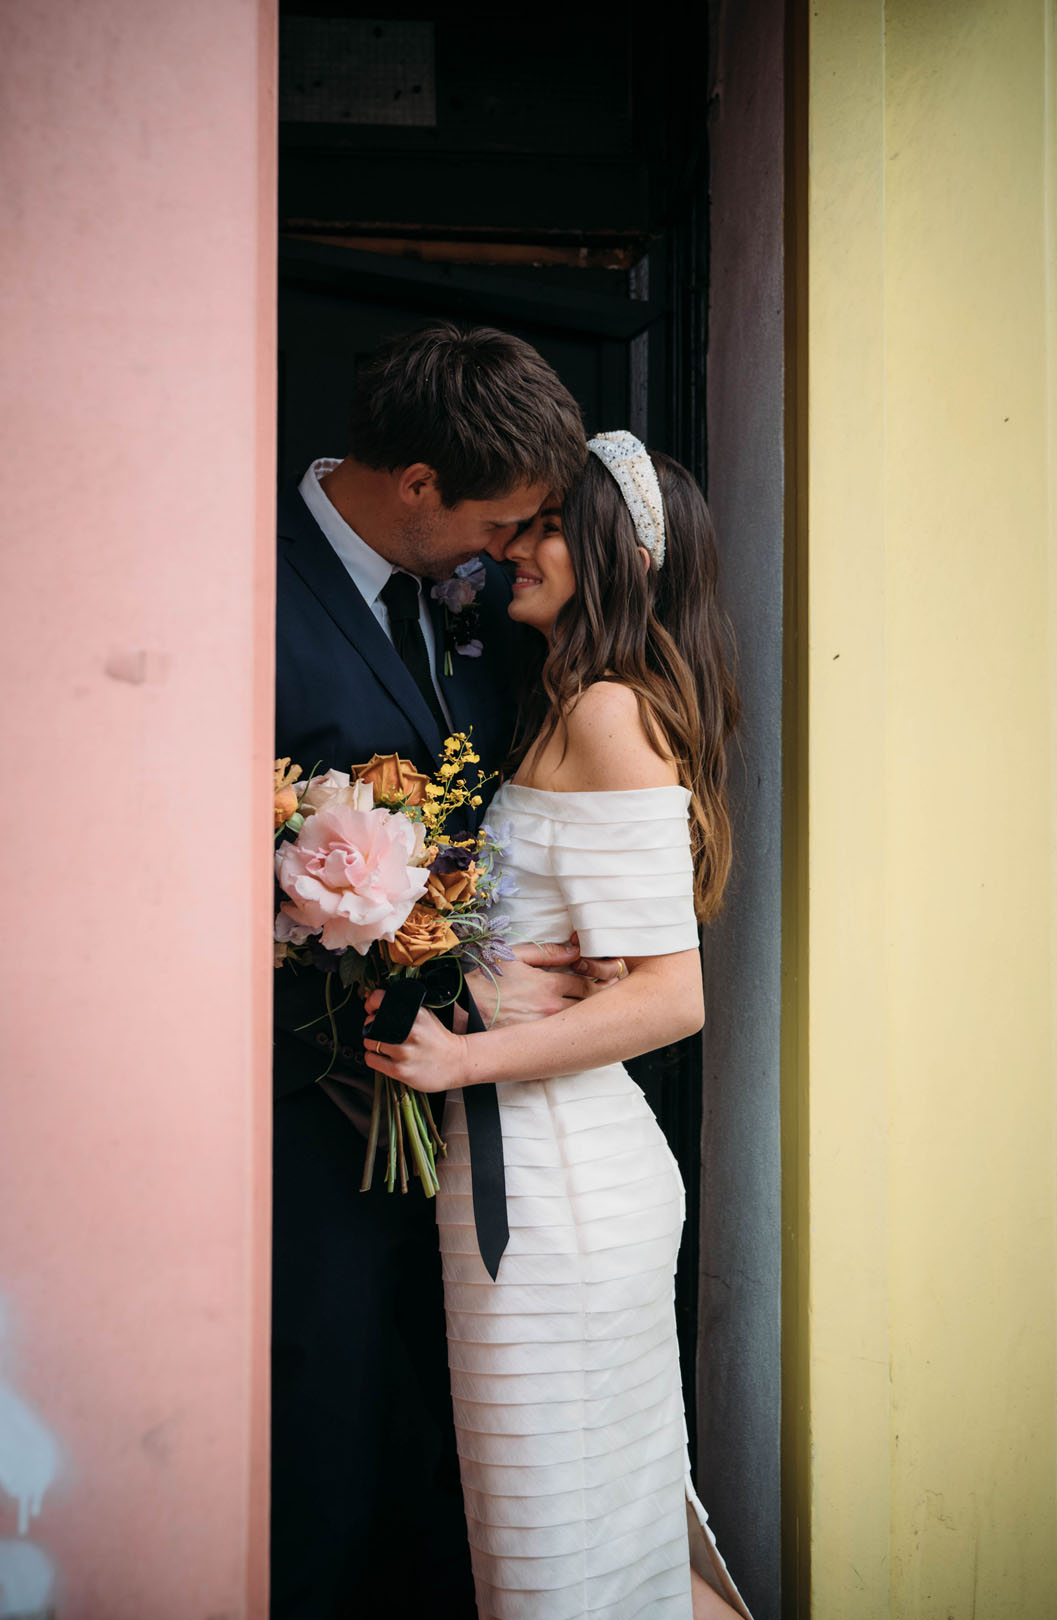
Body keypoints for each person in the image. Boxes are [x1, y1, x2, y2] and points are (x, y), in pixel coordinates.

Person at [364, 433, 752, 1620]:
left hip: (564, 1191)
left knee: (566, 1570)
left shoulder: (608, 715)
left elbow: (670, 996)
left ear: (615, 555)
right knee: (591, 1555)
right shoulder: (565, 704)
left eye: (546, 526)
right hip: (522, 1177)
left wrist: (462, 1054)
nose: (515, 545)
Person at [273, 323, 607, 1619]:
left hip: (458, 1108)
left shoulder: (470, 603)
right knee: (324, 1435)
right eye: (502, 521)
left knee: (435, 1443)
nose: (511, 552)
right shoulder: (240, 575)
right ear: (418, 485)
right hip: (308, 1107)